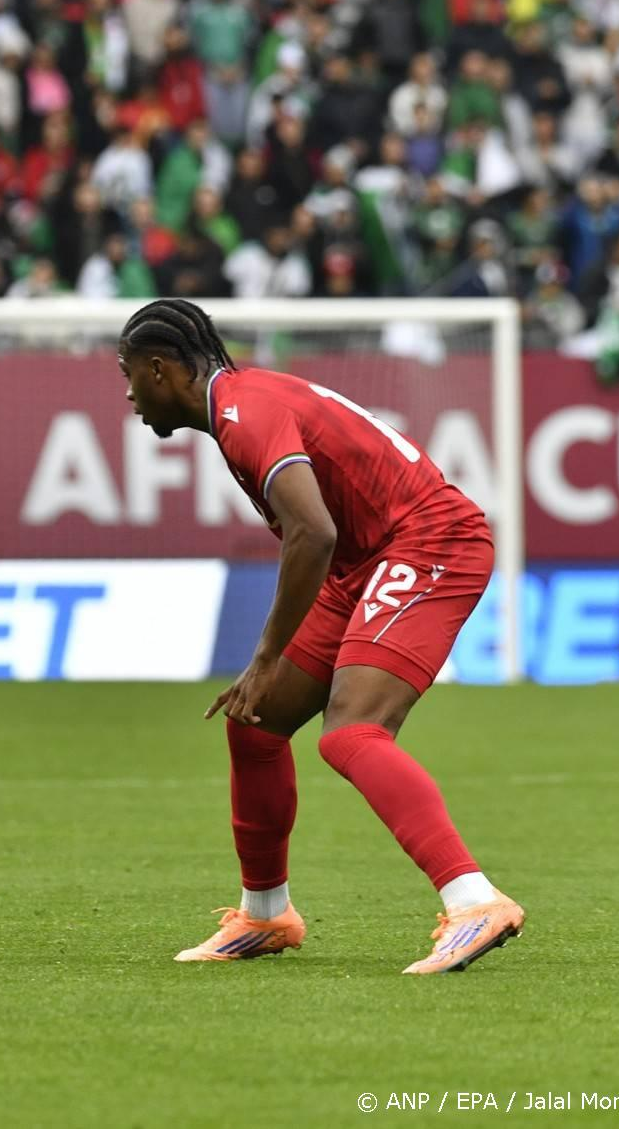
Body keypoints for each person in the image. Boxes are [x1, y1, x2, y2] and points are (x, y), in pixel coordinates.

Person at [115, 298, 522, 975]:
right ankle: (266, 913)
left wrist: (265, 656)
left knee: (352, 732)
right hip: (364, 560)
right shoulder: (240, 403)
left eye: (129, 374)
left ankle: (474, 899)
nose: (129, 394)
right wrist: (265, 670)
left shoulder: (244, 414)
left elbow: (312, 531)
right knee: (255, 724)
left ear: (160, 369)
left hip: (427, 540)